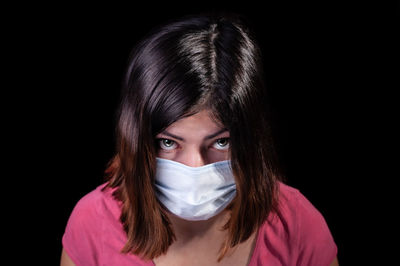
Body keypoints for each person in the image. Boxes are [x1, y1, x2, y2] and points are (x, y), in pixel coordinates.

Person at [60, 13, 338, 266]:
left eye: (221, 142)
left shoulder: (297, 224)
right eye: (168, 143)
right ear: (138, 141)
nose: (195, 167)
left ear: (251, 140)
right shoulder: (92, 224)